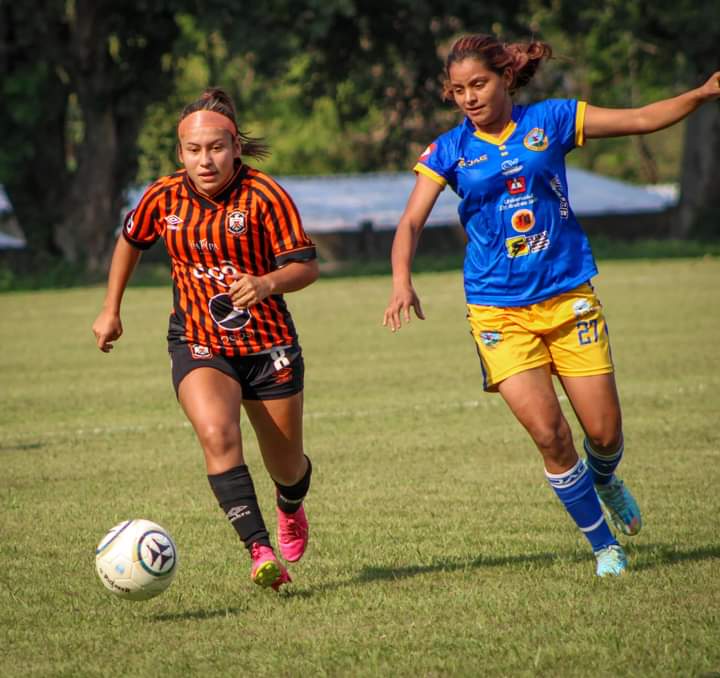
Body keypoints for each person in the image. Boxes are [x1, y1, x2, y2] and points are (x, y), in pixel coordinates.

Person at [383, 33, 720, 576]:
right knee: (549, 434)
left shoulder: (554, 120)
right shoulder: (449, 149)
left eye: (479, 84)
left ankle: (606, 477)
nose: (469, 97)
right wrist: (402, 280)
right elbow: (410, 221)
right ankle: (604, 545)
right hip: (498, 311)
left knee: (604, 434)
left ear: (505, 78)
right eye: (458, 89)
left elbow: (640, 119)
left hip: (568, 297)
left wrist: (701, 94)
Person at [93, 87, 319, 591]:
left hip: (268, 347)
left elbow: (306, 267)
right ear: (180, 152)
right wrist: (111, 309)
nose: (205, 159)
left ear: (235, 146)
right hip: (198, 341)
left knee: (287, 466)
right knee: (218, 434)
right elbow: (130, 240)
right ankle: (260, 550)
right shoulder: (162, 195)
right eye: (193, 150)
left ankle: (291, 504)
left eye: (216, 147)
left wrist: (266, 283)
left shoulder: (266, 195)